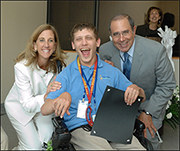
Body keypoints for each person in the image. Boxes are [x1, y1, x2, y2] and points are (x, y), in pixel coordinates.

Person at [41, 22, 146, 150]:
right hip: (81, 129)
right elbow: (44, 109)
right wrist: (61, 97)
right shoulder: (66, 75)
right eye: (79, 39)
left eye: (88, 38)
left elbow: (142, 96)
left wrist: (136, 89)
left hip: (111, 127)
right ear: (73, 45)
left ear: (97, 42)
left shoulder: (111, 71)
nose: (84, 43)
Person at [99, 13, 176, 150]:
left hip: (147, 107)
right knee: (102, 142)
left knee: (146, 143)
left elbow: (167, 85)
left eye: (125, 32)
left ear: (134, 30)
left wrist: (148, 113)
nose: (121, 39)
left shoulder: (155, 50)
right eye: (116, 34)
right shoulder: (105, 50)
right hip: (117, 109)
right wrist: (105, 73)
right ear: (110, 34)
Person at [4, 24, 67, 150]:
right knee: (33, 147)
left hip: (41, 106)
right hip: (20, 108)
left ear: (55, 46)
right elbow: (28, 105)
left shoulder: (57, 66)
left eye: (50, 40)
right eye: (42, 40)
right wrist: (46, 95)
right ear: (34, 45)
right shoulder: (22, 68)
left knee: (47, 140)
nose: (46, 45)